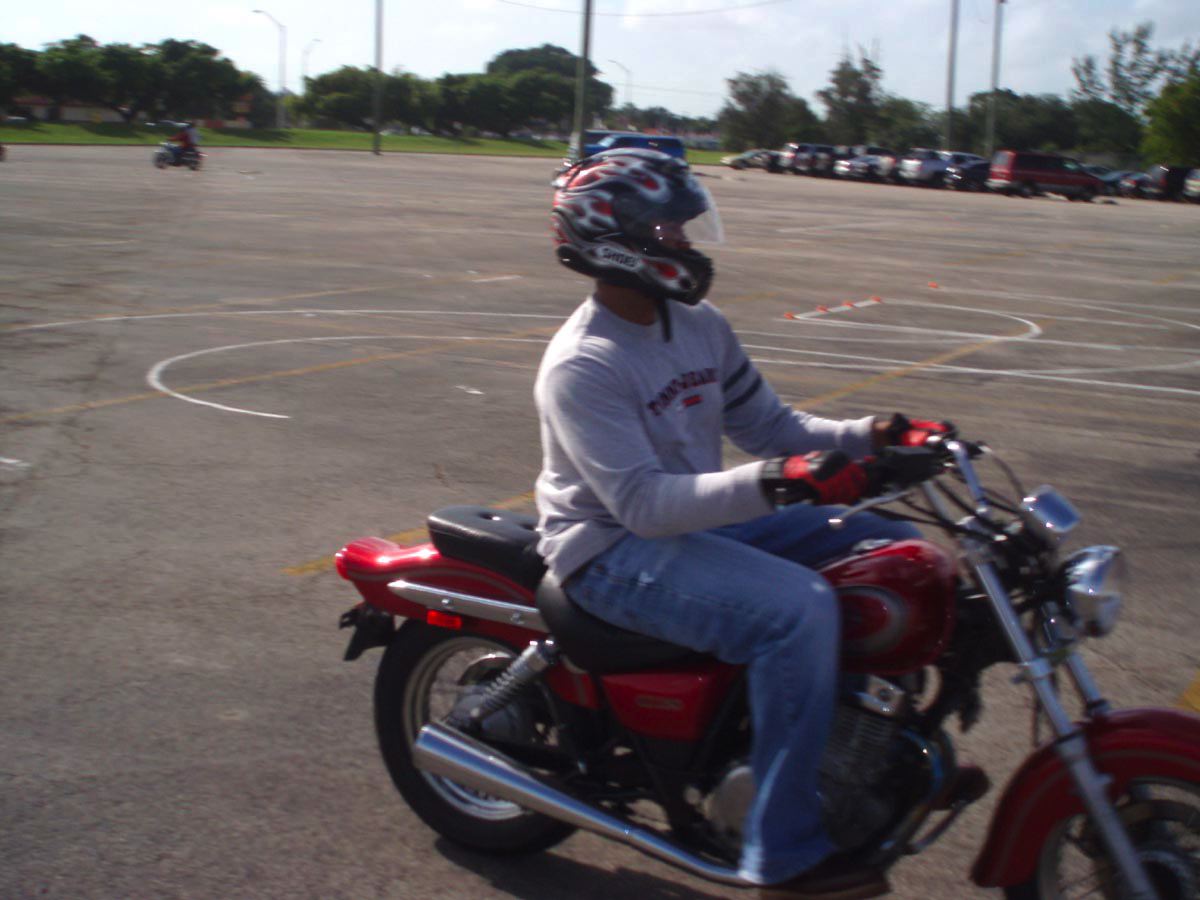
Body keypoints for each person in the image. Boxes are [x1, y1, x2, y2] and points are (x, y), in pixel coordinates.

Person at [534, 148, 951, 897]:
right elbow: (644, 506)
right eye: (669, 229)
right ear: (614, 239)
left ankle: (858, 753)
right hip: (611, 552)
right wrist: (777, 483)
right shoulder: (584, 363)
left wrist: (878, 436)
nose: (685, 242)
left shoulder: (699, 326)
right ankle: (781, 853)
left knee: (893, 545)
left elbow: (772, 428)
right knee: (798, 610)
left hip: (696, 525)